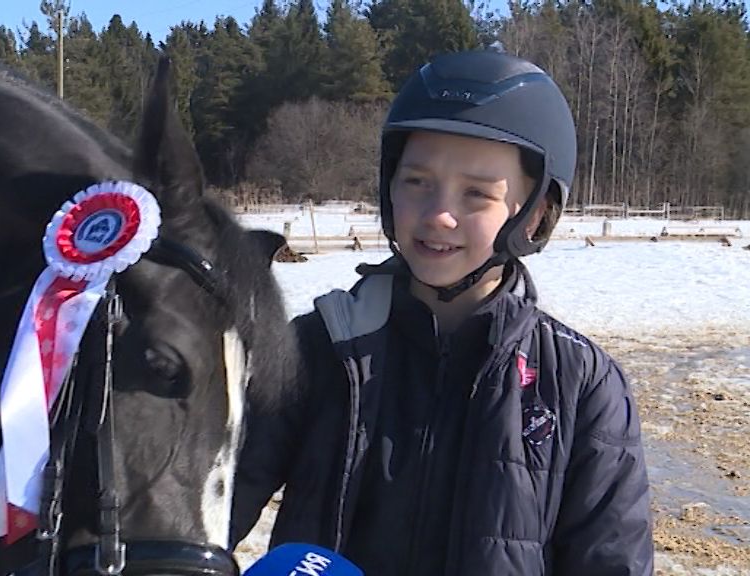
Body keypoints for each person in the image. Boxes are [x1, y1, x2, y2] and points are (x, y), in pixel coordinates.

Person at [230, 49, 653, 575]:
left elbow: (610, 562)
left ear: (535, 213)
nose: (439, 215)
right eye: (417, 182)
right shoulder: (316, 351)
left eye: (477, 194)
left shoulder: (581, 385)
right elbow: (209, 506)